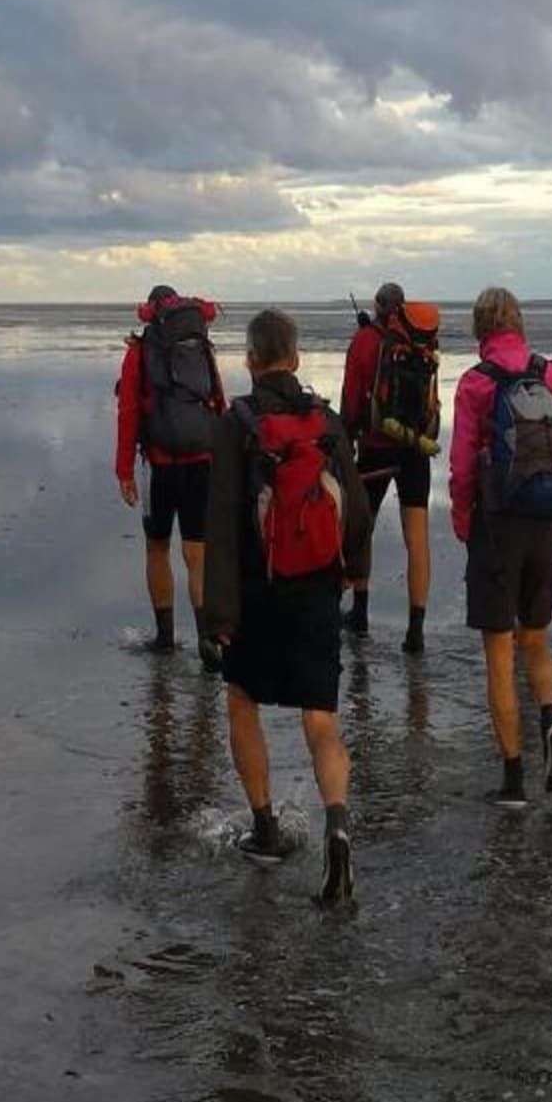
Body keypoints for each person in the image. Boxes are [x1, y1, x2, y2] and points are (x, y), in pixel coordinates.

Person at [204, 308, 373, 904]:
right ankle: (338, 826)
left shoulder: (237, 425)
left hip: (257, 593)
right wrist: (355, 571)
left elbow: (221, 523)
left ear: (250, 361)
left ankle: (266, 829)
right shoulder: (324, 421)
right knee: (321, 719)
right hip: (318, 590)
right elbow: (354, 505)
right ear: (296, 358)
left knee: (242, 700)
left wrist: (216, 616)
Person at [449, 288, 552, 808]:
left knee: (497, 650)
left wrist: (465, 524)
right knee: (536, 638)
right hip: (550, 521)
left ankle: (512, 779)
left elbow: (464, 467)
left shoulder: (476, 383)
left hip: (499, 526)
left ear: (480, 330)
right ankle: (550, 718)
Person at [115, 284, 225, 669]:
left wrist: (124, 470)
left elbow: (128, 412)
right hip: (202, 461)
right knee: (198, 554)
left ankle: (164, 638)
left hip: (159, 464)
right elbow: (218, 402)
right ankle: (208, 643)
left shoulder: (140, 352)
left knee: (157, 547)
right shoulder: (200, 345)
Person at [340, 282, 441, 653]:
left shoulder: (365, 341)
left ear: (377, 306)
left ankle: (360, 610)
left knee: (359, 528)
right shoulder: (424, 344)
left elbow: (351, 398)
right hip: (416, 447)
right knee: (417, 539)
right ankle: (416, 628)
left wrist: (346, 437)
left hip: (374, 448)